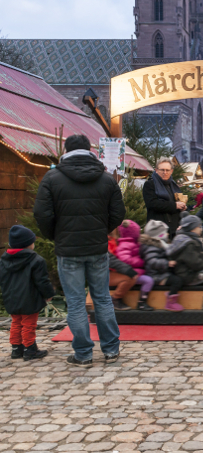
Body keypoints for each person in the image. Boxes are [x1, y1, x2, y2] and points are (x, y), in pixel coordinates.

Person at [34, 134, 124, 367]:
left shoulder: (52, 177)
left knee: (75, 302)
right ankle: (111, 350)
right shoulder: (106, 179)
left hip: (68, 249)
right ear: (89, 150)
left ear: (66, 150)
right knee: (102, 298)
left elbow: (42, 214)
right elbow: (118, 212)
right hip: (97, 247)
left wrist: (55, 235)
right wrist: (102, 230)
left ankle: (83, 354)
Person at [0, 225, 56, 361]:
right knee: (29, 324)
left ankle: (16, 348)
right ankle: (29, 349)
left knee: (16, 322)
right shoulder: (36, 260)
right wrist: (49, 294)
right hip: (30, 298)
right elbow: (42, 281)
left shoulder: (3, 260)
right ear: (28, 244)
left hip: (11, 298)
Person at [167, 212, 203, 311]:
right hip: (189, 276)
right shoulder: (189, 243)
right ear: (192, 228)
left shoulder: (182, 238)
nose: (201, 228)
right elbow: (196, 264)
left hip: (187, 272)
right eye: (199, 226)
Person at [140, 220, 184, 312]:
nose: (167, 235)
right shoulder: (152, 246)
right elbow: (152, 261)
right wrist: (167, 263)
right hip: (156, 275)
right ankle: (170, 302)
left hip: (161, 272)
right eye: (165, 233)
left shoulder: (159, 245)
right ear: (159, 235)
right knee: (176, 281)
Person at [114, 220, 154, 311]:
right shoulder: (125, 245)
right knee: (148, 280)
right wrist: (142, 262)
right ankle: (142, 302)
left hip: (139, 271)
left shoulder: (135, 243)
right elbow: (124, 259)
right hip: (133, 273)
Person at [142, 158, 186, 239]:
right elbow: (152, 204)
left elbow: (177, 204)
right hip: (157, 231)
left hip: (174, 230)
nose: (165, 173)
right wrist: (175, 205)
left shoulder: (173, 185)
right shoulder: (150, 184)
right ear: (156, 170)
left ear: (171, 171)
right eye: (162, 170)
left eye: (167, 170)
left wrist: (182, 207)